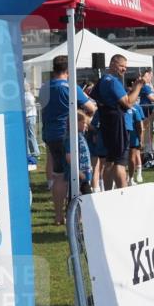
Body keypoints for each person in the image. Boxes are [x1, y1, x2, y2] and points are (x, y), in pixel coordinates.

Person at [41, 55, 96, 223]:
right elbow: (91, 108)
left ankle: (59, 216)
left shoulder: (44, 87)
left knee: (58, 175)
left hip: (50, 133)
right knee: (74, 175)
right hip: (68, 136)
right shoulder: (70, 87)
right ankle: (76, 216)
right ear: (68, 70)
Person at [91, 55, 151, 190]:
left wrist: (134, 88)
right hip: (116, 125)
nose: (124, 69)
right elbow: (128, 103)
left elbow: (98, 96)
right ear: (112, 64)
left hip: (107, 123)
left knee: (109, 161)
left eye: (125, 66)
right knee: (119, 162)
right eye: (121, 65)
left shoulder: (102, 81)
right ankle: (123, 193)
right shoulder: (112, 81)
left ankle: (107, 192)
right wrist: (139, 87)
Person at [65, 110, 93, 195]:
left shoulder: (81, 135)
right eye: (83, 122)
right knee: (78, 196)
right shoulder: (71, 138)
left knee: (84, 197)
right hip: (77, 175)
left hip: (85, 174)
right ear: (75, 123)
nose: (86, 125)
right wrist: (79, 173)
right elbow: (69, 157)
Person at [125, 83, 146, 184]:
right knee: (122, 158)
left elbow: (140, 124)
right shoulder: (121, 106)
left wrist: (141, 138)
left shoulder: (136, 108)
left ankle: (132, 178)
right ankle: (124, 178)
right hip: (124, 136)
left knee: (133, 157)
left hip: (134, 136)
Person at [24, 82, 39, 164]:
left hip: (29, 116)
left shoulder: (26, 96)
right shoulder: (29, 95)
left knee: (30, 134)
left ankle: (34, 152)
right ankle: (31, 151)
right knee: (29, 134)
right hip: (30, 116)